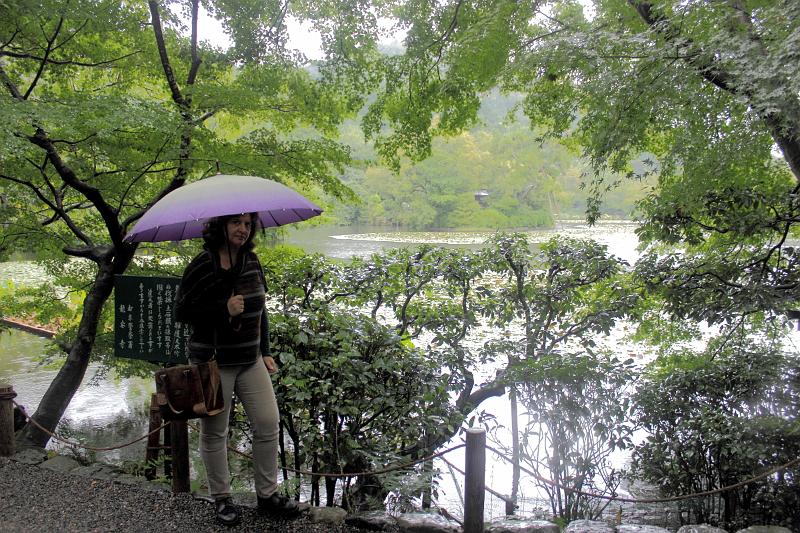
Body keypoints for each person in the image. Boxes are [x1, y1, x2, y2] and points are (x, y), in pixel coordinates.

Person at [175, 212, 300, 526]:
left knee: (268, 423)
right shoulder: (203, 264)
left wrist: (266, 351)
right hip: (213, 363)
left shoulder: (252, 261)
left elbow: (260, 309)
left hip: (249, 360)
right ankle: (222, 498)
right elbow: (182, 311)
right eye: (236, 223)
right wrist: (223, 309)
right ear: (221, 226)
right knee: (215, 432)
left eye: (247, 224)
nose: (243, 229)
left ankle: (267, 494)